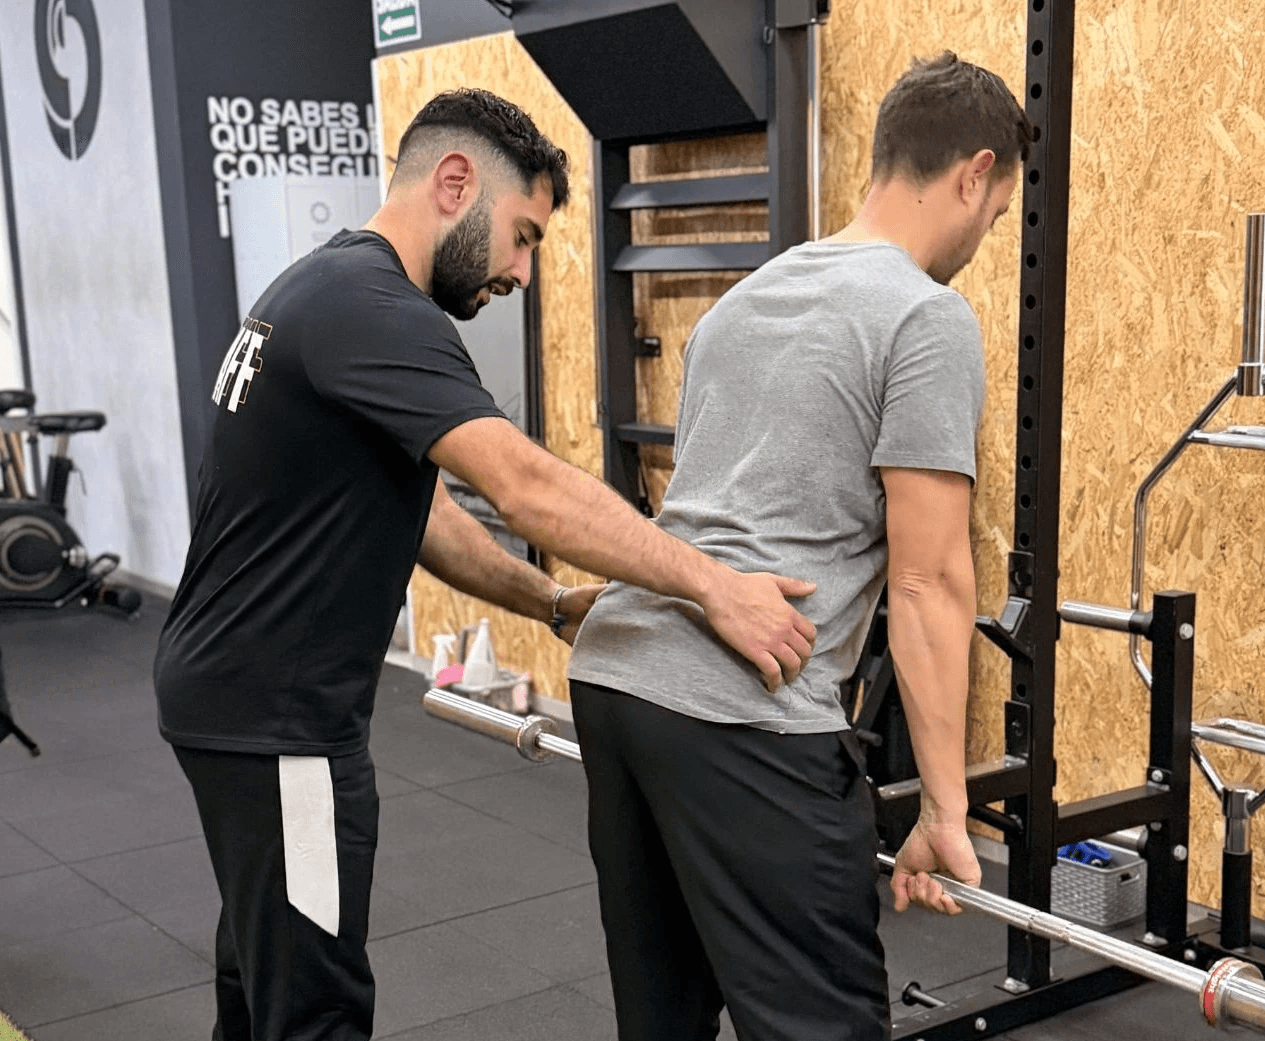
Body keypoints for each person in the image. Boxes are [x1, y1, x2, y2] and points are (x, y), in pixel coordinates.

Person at [153, 87, 819, 1041]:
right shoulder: (374, 307)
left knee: (258, 987)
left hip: (234, 699)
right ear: (454, 182)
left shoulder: (325, 289)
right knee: (313, 1011)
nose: (520, 269)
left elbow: (426, 517)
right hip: (279, 724)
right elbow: (523, 486)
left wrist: (549, 601)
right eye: (522, 235)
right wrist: (715, 585)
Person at [566, 52, 1033, 1041]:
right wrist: (945, 812)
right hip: (743, 705)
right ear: (972, 173)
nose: (984, 242)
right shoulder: (924, 315)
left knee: (662, 1021)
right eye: (995, 217)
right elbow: (929, 583)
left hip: (616, 679)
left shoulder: (746, 300)